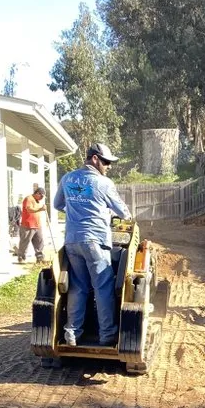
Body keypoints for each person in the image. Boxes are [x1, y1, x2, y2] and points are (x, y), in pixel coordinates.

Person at [53, 143, 131, 347]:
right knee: (102, 287)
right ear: (95, 159)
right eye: (106, 162)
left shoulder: (67, 178)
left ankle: (71, 333)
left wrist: (76, 209)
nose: (108, 166)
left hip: (72, 241)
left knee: (78, 286)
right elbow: (124, 213)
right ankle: (107, 336)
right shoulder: (103, 183)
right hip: (95, 240)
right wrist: (107, 212)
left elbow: (57, 204)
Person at [18, 186, 46, 264]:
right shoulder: (29, 199)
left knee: (39, 241)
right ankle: (21, 257)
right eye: (42, 196)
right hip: (28, 225)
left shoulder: (37, 200)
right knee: (25, 242)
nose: (42, 198)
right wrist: (40, 209)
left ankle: (39, 257)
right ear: (37, 193)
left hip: (37, 225)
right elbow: (29, 209)